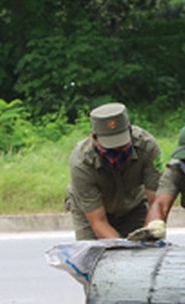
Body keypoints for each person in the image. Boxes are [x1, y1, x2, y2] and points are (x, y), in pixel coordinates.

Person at [66, 102, 163, 240]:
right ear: (94, 138)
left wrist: (149, 236)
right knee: (93, 256)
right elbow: (98, 222)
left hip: (133, 206)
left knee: (145, 253)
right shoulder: (81, 163)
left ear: (130, 132)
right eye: (110, 148)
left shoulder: (147, 147)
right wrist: (122, 248)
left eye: (122, 145)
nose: (116, 151)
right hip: (91, 213)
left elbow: (156, 202)